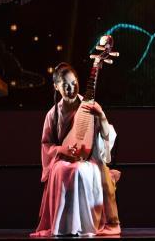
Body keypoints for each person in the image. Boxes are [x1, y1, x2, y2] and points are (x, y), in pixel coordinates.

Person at [32, 63, 120, 237]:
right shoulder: (53, 114)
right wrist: (63, 150)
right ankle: (64, 226)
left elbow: (106, 135)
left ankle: (86, 226)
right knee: (64, 169)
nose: (71, 89)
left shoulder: (89, 106)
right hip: (61, 160)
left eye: (74, 83)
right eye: (65, 85)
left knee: (81, 170)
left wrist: (102, 116)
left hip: (89, 158)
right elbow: (46, 145)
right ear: (56, 87)